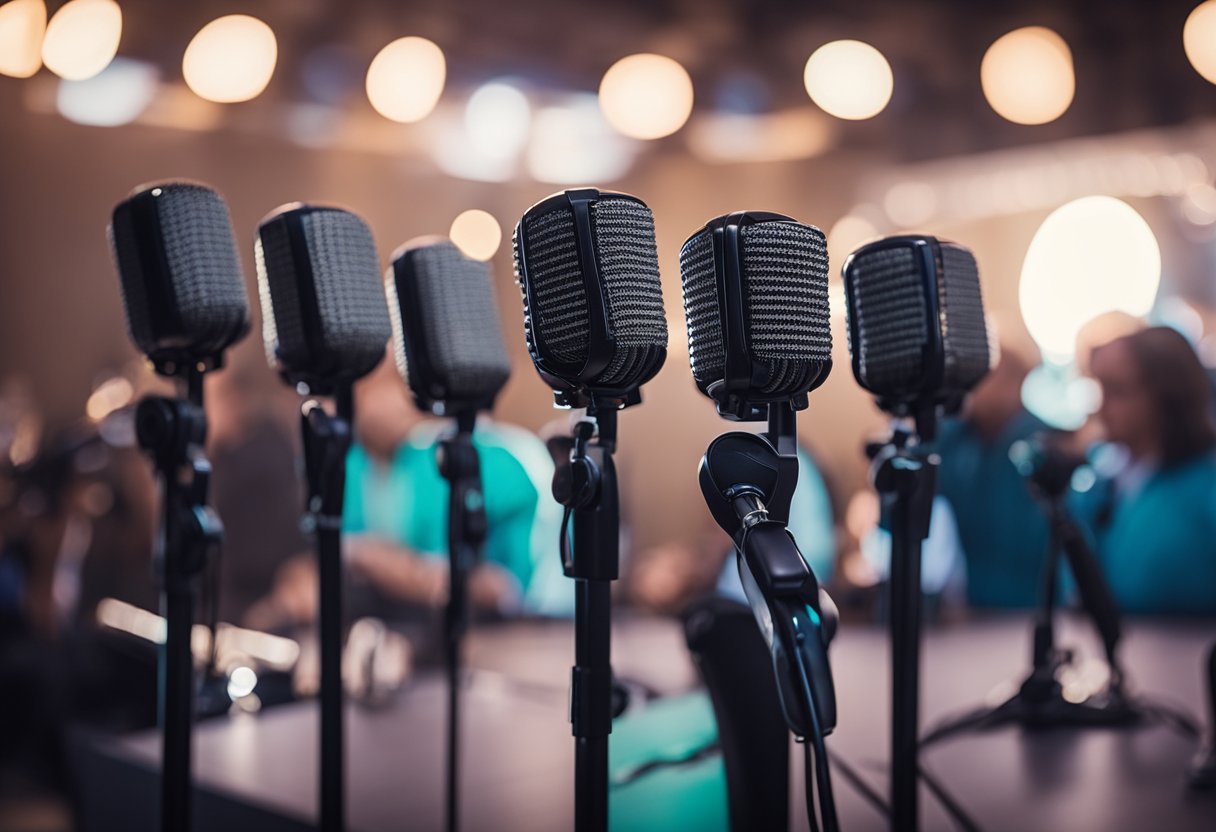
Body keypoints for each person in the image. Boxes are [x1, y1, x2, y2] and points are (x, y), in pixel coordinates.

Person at [249, 360, 569, 629]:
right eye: (360, 386)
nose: (369, 400)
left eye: (385, 382)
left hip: (515, 643)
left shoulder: (499, 461)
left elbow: (503, 594)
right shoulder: (354, 464)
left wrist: (391, 568)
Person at [1073, 327, 1216, 616]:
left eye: (1118, 391)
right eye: (1100, 388)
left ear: (1167, 396)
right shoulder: (1097, 479)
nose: (1101, 408)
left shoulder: (1206, 486)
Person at [935, 342, 1052, 608]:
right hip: (975, 606)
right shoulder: (958, 442)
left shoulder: (1042, 443)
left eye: (982, 376)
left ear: (1015, 381)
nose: (970, 387)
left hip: (1032, 604)